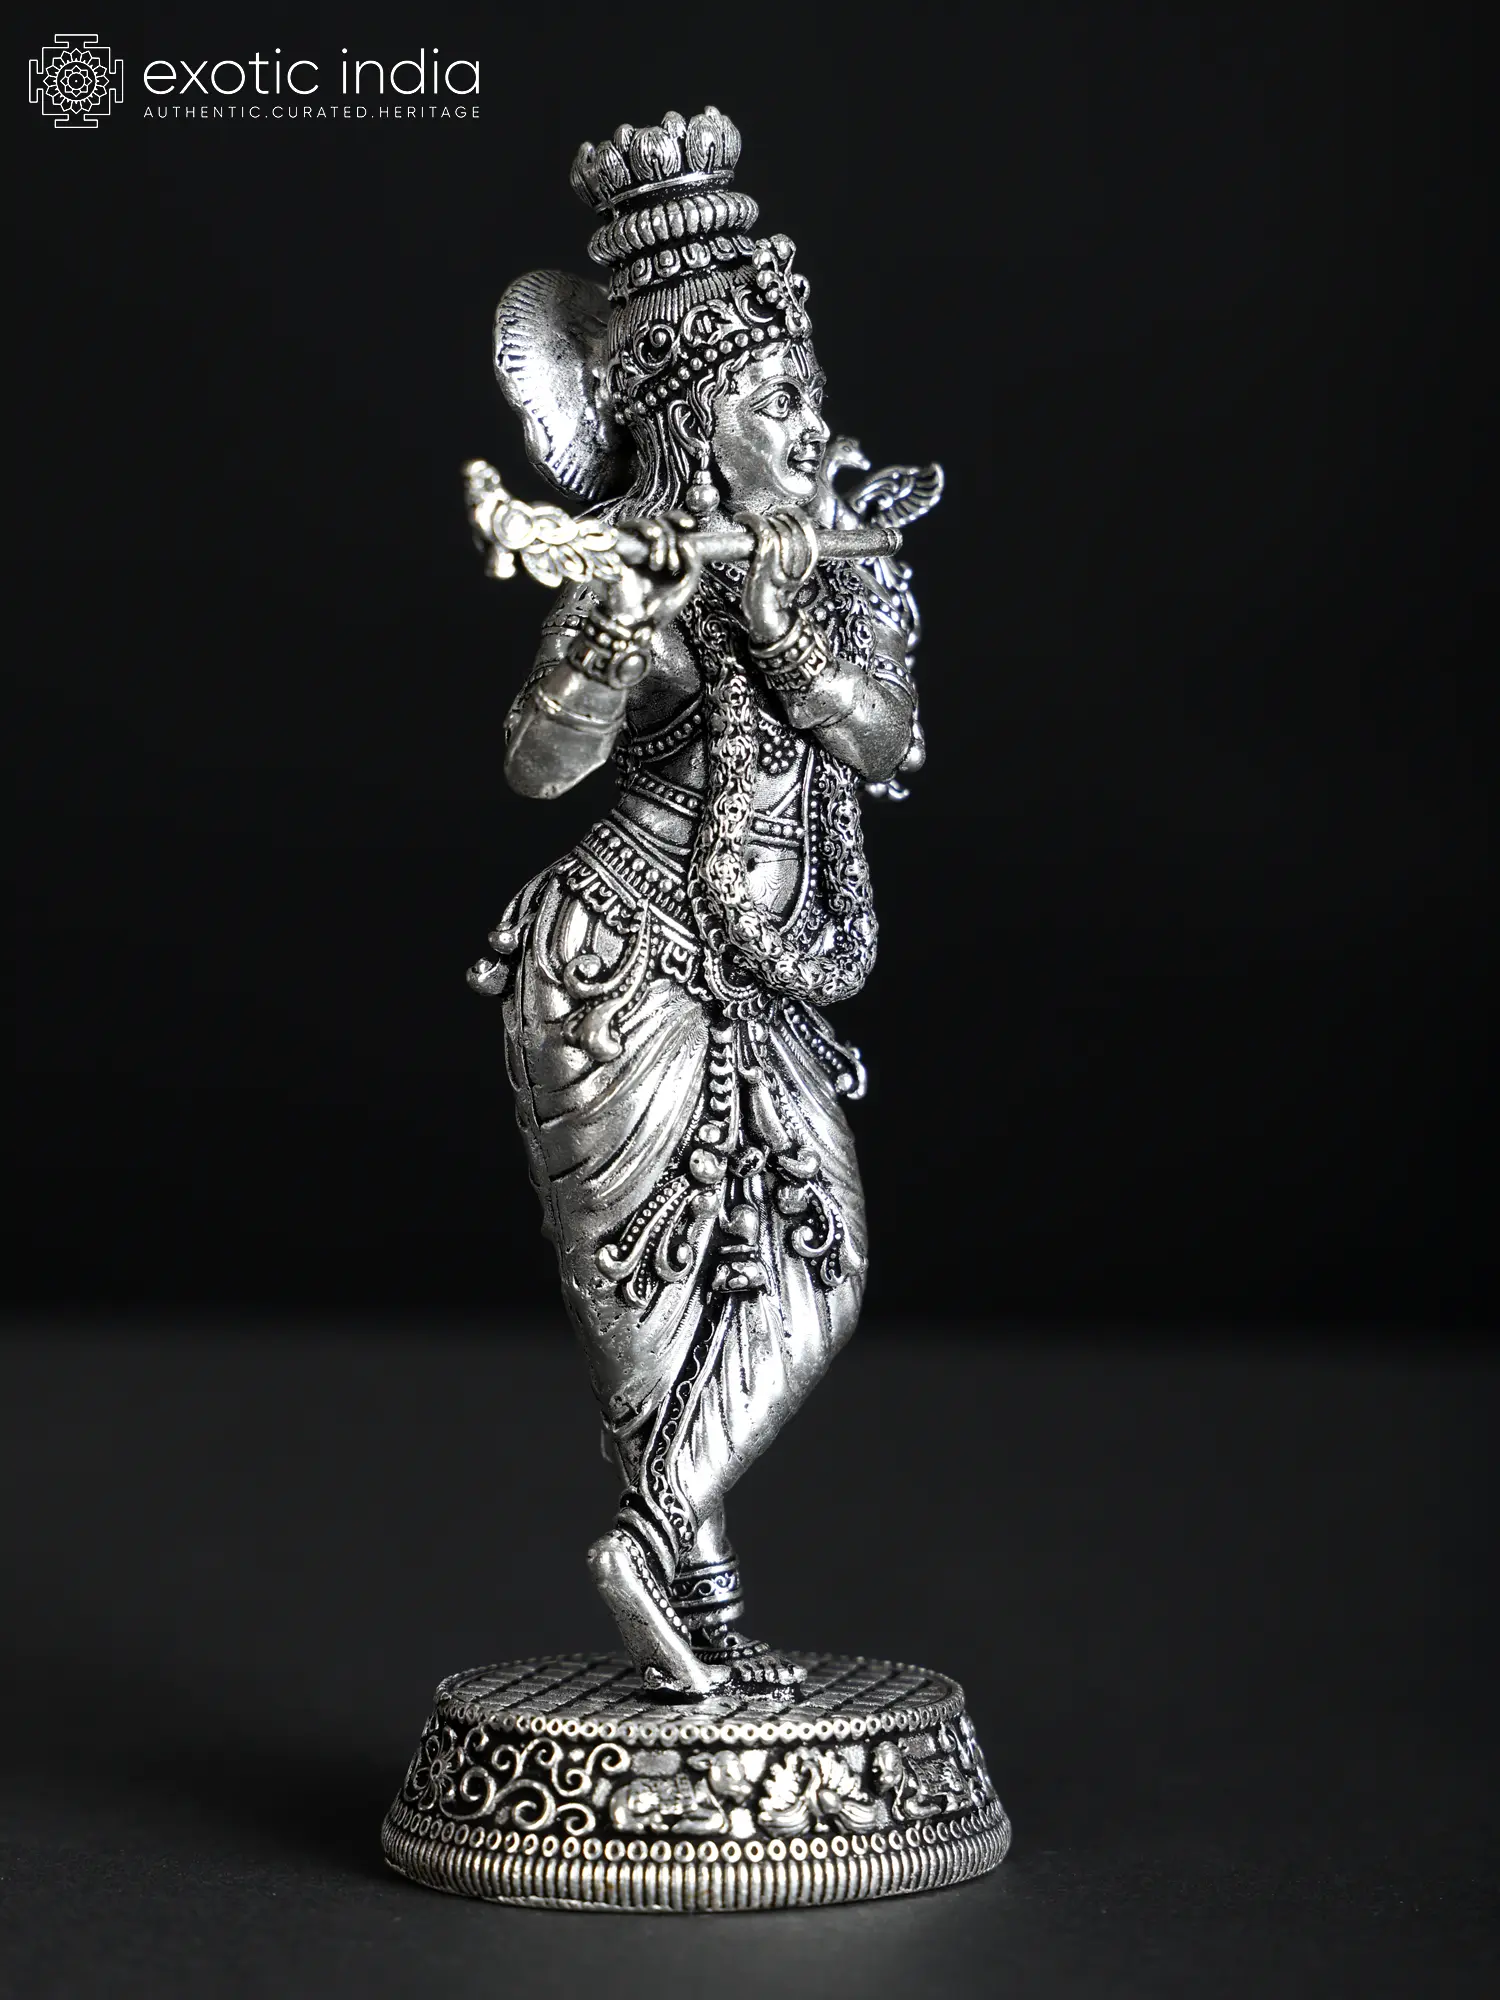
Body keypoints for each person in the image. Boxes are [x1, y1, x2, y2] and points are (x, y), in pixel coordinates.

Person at [480, 109, 930, 1695]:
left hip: (764, 968)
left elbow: (886, 739)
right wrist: (615, 639)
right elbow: (537, 764)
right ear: (685, 428)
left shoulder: (842, 561)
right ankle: (699, 1597)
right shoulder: (637, 567)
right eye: (769, 399)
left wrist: (783, 618)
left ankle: (655, 1528)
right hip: (619, 962)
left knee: (819, 1273)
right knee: (652, 1313)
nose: (808, 424)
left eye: (809, 388)